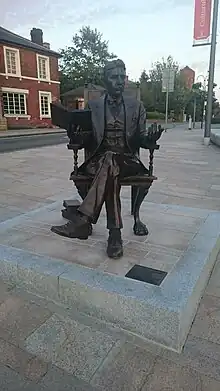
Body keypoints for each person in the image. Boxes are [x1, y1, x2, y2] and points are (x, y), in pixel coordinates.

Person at [51, 59, 151, 259]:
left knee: (111, 161)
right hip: (99, 160)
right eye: (115, 77)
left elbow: (142, 138)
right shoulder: (94, 105)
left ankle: (83, 221)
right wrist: (76, 134)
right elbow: (87, 137)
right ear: (105, 80)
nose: (120, 81)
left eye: (123, 77)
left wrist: (152, 137)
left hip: (128, 161)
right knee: (110, 164)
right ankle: (114, 234)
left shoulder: (136, 106)